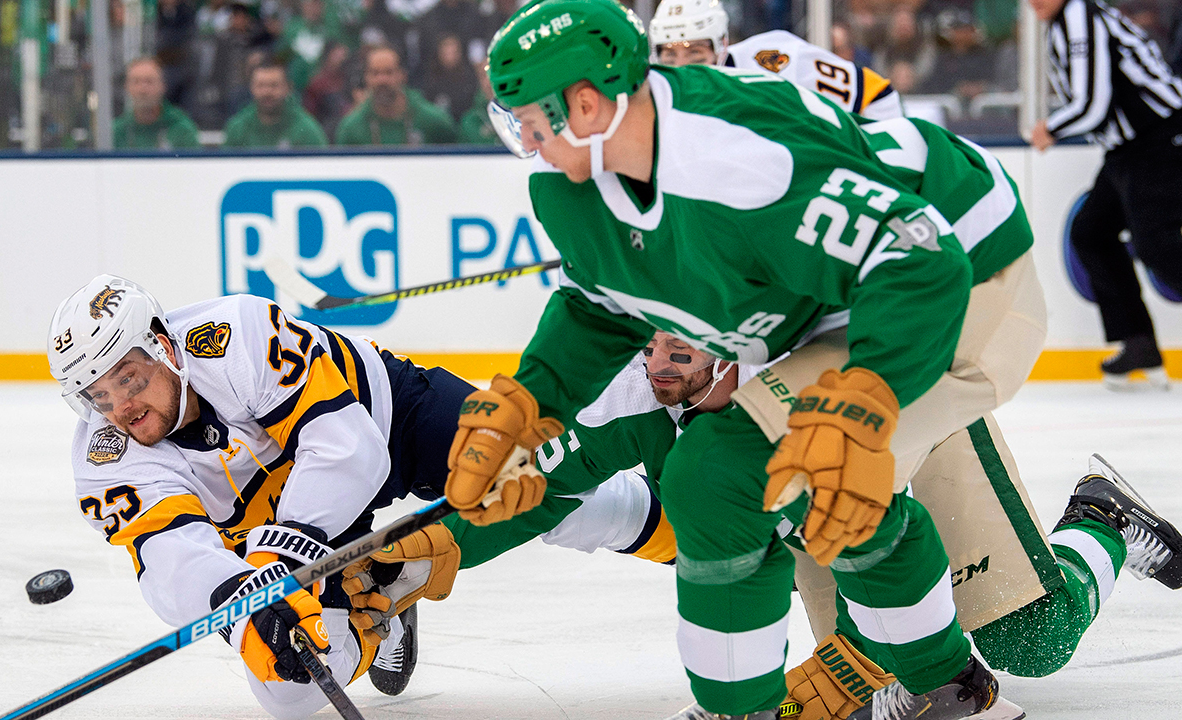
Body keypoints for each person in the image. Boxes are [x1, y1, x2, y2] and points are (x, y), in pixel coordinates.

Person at [446, 0, 1054, 717]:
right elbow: (600, 306)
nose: (527, 142)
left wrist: (865, 398)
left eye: (530, 122)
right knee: (760, 478)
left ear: (586, 105)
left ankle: (771, 702)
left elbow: (918, 260)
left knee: (728, 474)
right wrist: (529, 403)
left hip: (968, 273)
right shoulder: (573, 186)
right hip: (851, 294)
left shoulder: (737, 160)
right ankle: (947, 684)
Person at [442, 333, 1182, 720]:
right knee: (868, 687)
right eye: (649, 347)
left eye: (678, 351)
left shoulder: (798, 353)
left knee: (1030, 642)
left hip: (912, 427)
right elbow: (533, 491)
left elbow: (885, 528)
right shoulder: (641, 388)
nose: (657, 368)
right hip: (811, 487)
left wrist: (866, 653)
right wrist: (425, 554)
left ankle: (1100, 520)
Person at [46, 274, 643, 719]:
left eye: (129, 378)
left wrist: (278, 561)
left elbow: (346, 447)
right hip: (281, 529)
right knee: (289, 690)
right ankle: (384, 598)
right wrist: (241, 609)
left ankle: (678, 509)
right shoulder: (104, 462)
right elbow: (169, 559)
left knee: (522, 484)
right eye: (99, 396)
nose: (123, 408)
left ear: (165, 348)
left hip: (385, 417)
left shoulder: (235, 334)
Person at [1028, 0, 1182, 389]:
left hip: (1161, 138)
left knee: (1158, 245)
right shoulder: (1067, 20)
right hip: (1129, 148)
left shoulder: (1080, 17)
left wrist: (1051, 127)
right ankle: (1138, 344)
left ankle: (1138, 343)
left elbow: (1092, 105)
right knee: (1091, 232)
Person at [648, 0, 902, 120]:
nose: (682, 68)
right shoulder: (654, 101)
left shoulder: (771, 61)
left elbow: (874, 94)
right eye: (670, 55)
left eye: (695, 53)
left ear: (722, 46)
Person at [335, 43, 458, 145]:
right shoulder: (351, 128)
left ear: (402, 75)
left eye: (388, 72)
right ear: (366, 78)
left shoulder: (434, 121)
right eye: (375, 73)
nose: (381, 80)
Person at [224, 59, 328, 148]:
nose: (267, 92)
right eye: (260, 85)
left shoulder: (306, 128)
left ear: (288, 88)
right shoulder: (237, 128)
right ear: (251, 88)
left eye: (274, 85)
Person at [112, 58, 201, 150]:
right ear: (126, 87)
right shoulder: (117, 131)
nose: (142, 89)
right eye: (136, 82)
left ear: (162, 86)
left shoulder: (181, 128)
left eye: (149, 81)